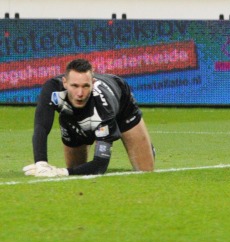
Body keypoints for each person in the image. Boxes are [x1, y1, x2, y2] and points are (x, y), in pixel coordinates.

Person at [24, 59, 155, 177]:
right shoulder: (52, 89)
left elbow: (100, 165)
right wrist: (41, 164)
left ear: (93, 83)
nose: (80, 93)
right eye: (74, 86)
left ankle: (147, 147)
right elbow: (41, 126)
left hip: (122, 108)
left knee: (145, 170)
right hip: (72, 117)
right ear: (65, 83)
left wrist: (61, 172)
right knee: (77, 172)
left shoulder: (104, 110)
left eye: (85, 86)